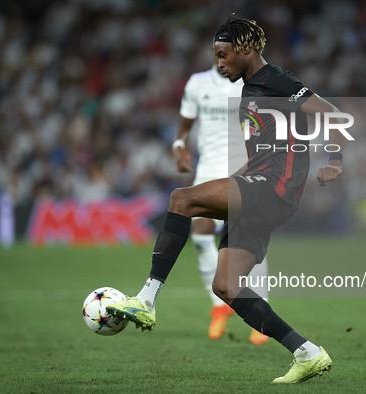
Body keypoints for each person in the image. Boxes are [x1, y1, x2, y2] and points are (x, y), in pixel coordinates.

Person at [107, 14, 347, 384]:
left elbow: (332, 114)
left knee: (181, 199)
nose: (219, 63)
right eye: (215, 56)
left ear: (246, 49)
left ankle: (146, 299)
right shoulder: (249, 90)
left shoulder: (275, 80)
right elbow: (268, 148)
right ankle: (307, 352)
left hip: (272, 187)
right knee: (227, 286)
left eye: (223, 55)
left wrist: (334, 161)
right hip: (263, 185)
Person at [174, 63, 270, 345]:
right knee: (201, 233)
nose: (222, 58)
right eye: (218, 52)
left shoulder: (254, 84)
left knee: (250, 240)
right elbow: (183, 127)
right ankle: (220, 305)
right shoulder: (198, 83)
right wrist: (178, 148)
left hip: (246, 170)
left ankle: (260, 314)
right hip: (208, 173)